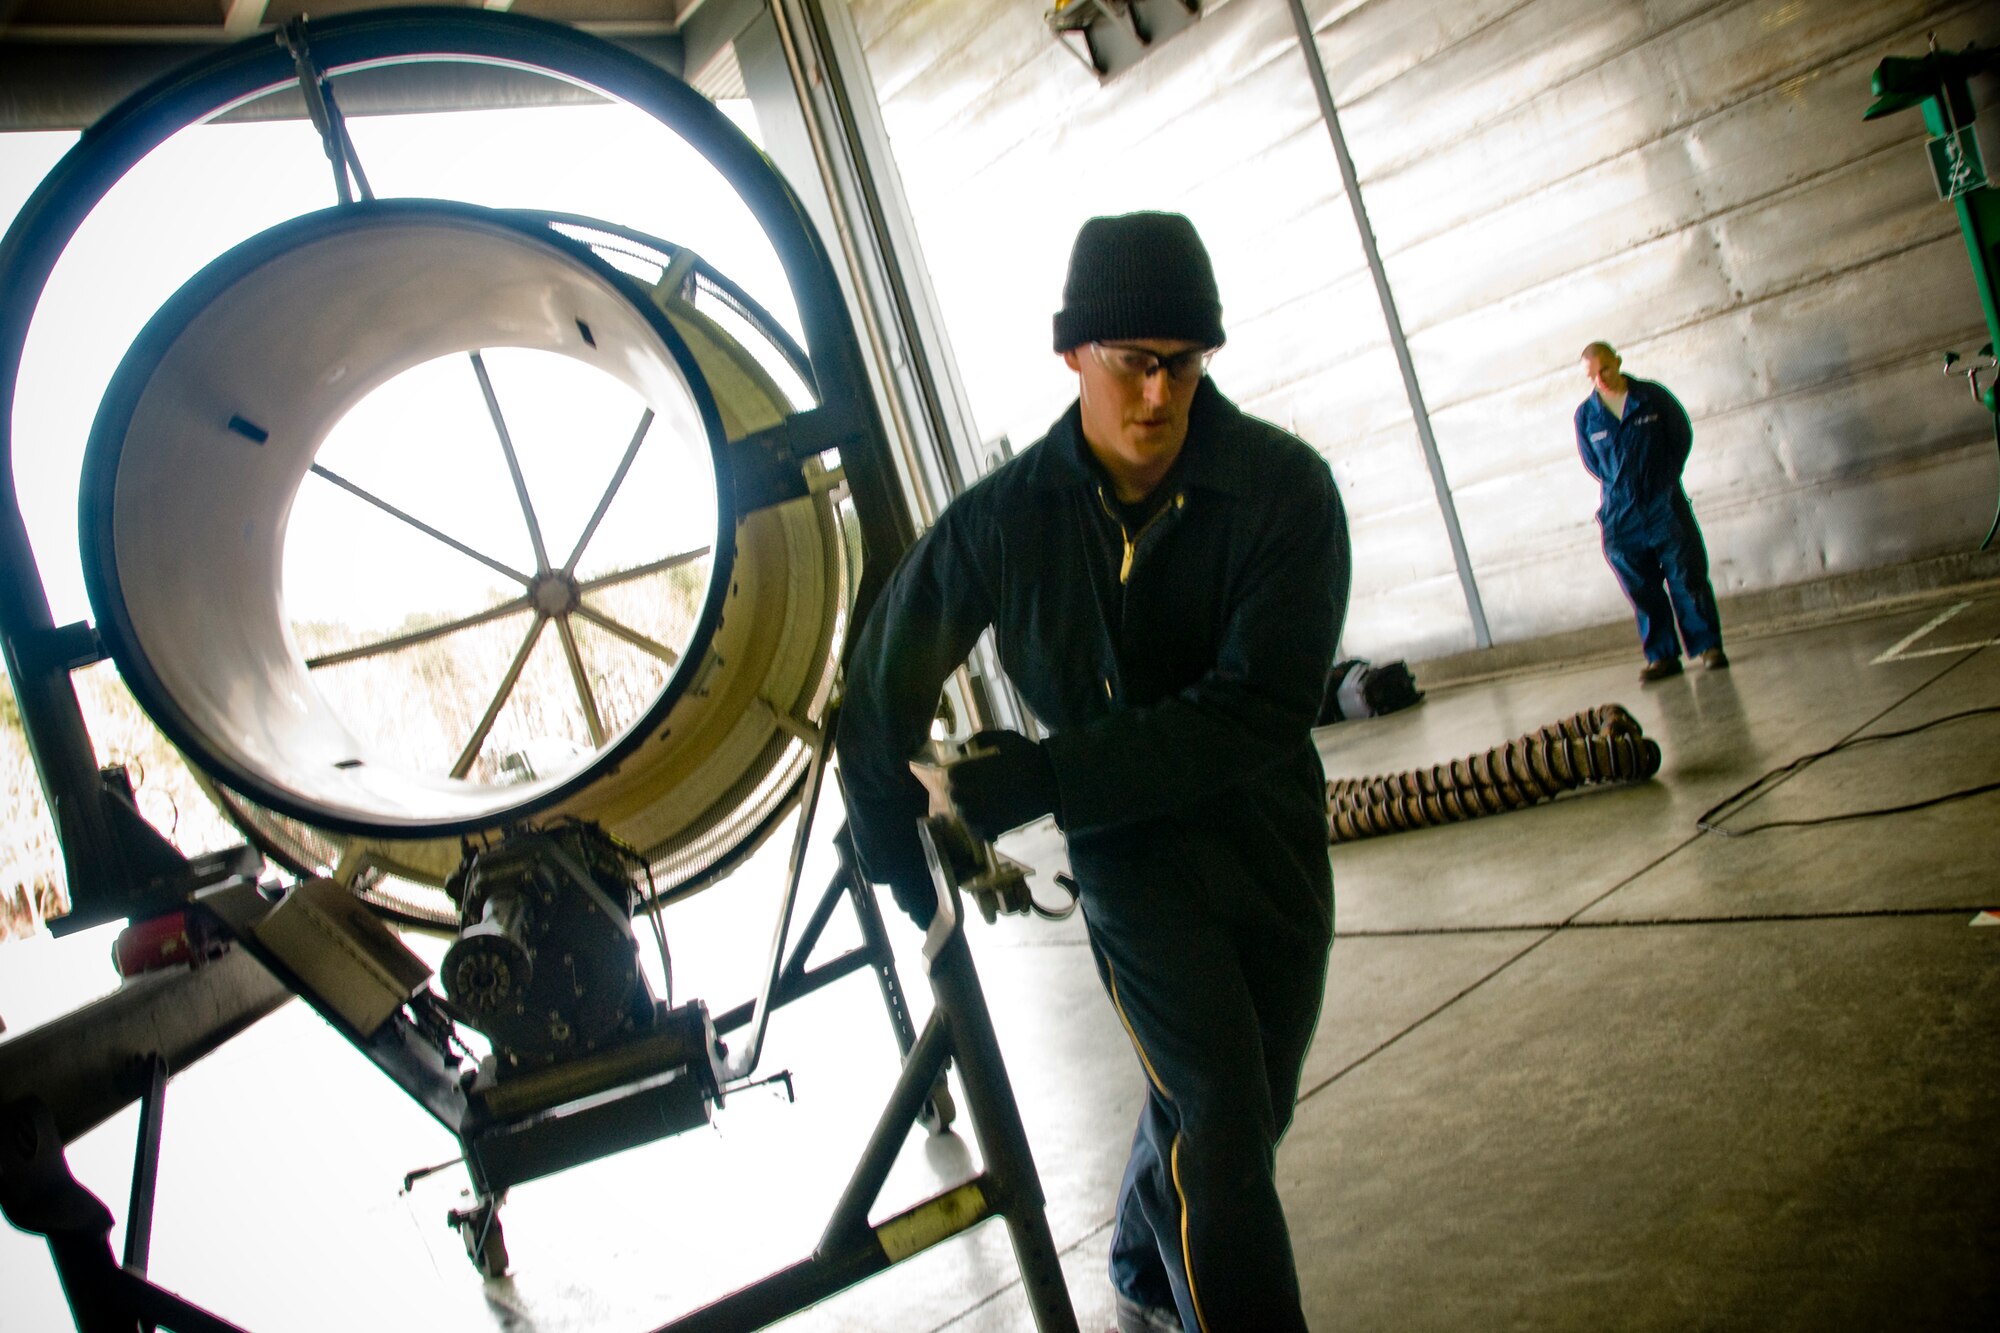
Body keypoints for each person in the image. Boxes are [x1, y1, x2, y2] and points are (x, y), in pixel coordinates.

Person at [836, 211, 1349, 1333]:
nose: (1157, 396)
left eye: (1181, 363)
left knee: (1247, 1109)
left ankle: (1134, 1264)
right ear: (1072, 354)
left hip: (1264, 838)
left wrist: (1048, 775)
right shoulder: (1004, 522)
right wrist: (901, 866)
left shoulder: (1282, 491)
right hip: (1133, 866)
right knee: (1217, 1117)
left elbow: (1258, 707)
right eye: (1131, 366)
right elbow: (874, 697)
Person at [1574, 341, 1727, 681]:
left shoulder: (1651, 397)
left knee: (1686, 576)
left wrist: (1663, 479)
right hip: (1621, 513)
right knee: (1641, 588)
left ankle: (1708, 647)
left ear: (1618, 361)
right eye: (1593, 376)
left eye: (1606, 370)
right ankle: (1662, 656)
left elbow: (1680, 436)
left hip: (1664, 505)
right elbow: (1594, 463)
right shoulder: (1587, 416)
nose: (1601, 380)